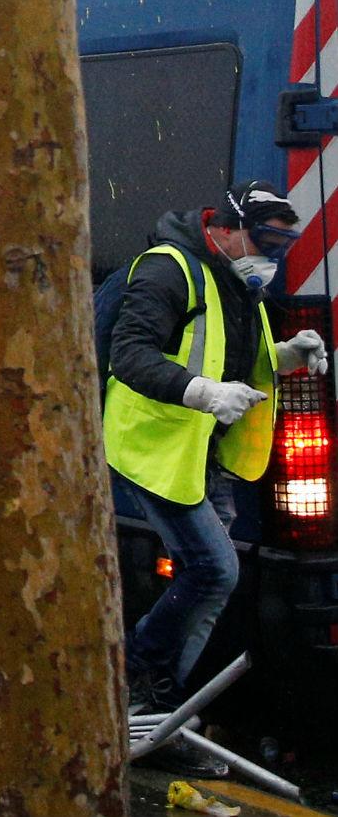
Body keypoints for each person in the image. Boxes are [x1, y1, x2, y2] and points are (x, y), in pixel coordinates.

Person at [104, 180, 315, 776]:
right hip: (157, 448)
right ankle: (147, 687)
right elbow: (131, 355)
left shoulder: (237, 282)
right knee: (213, 570)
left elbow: (233, 361)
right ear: (223, 227)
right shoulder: (169, 269)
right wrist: (201, 393)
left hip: (206, 455)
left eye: (283, 244)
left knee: (210, 579)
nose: (271, 256)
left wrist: (291, 354)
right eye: (264, 239)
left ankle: (150, 711)